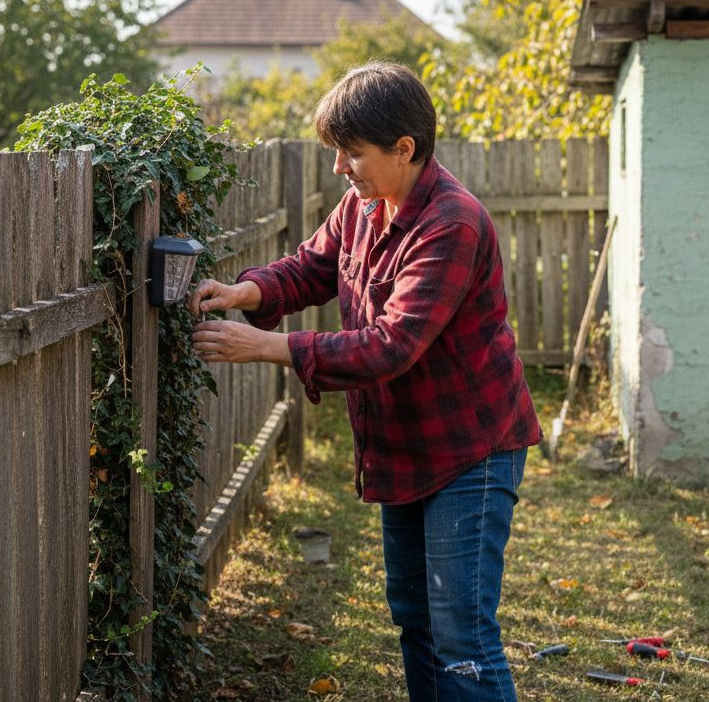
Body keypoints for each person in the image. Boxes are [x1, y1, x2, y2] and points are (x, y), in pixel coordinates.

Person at [187, 62, 540, 701]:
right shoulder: (362, 205)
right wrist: (249, 290)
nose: (340, 170)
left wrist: (267, 346)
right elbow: (313, 267)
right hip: (405, 444)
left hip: (470, 451)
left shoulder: (451, 223)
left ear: (404, 149)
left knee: (461, 634)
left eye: (352, 154)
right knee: (414, 615)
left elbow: (391, 345)